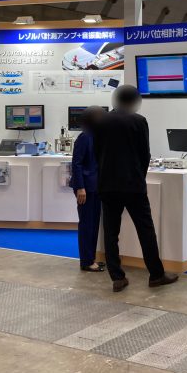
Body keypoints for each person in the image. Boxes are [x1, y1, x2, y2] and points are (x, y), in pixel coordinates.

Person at [94, 85, 178, 292]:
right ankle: (156, 275)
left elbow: (97, 153)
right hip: (133, 185)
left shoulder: (100, 121)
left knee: (110, 233)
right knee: (145, 230)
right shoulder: (139, 121)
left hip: (107, 185)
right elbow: (144, 154)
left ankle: (117, 277)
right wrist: (139, 176)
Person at [70, 106, 106, 272]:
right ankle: (86, 261)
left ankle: (91, 258)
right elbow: (76, 163)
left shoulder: (97, 136)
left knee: (94, 224)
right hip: (86, 188)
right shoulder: (84, 137)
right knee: (87, 225)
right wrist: (80, 187)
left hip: (96, 186)